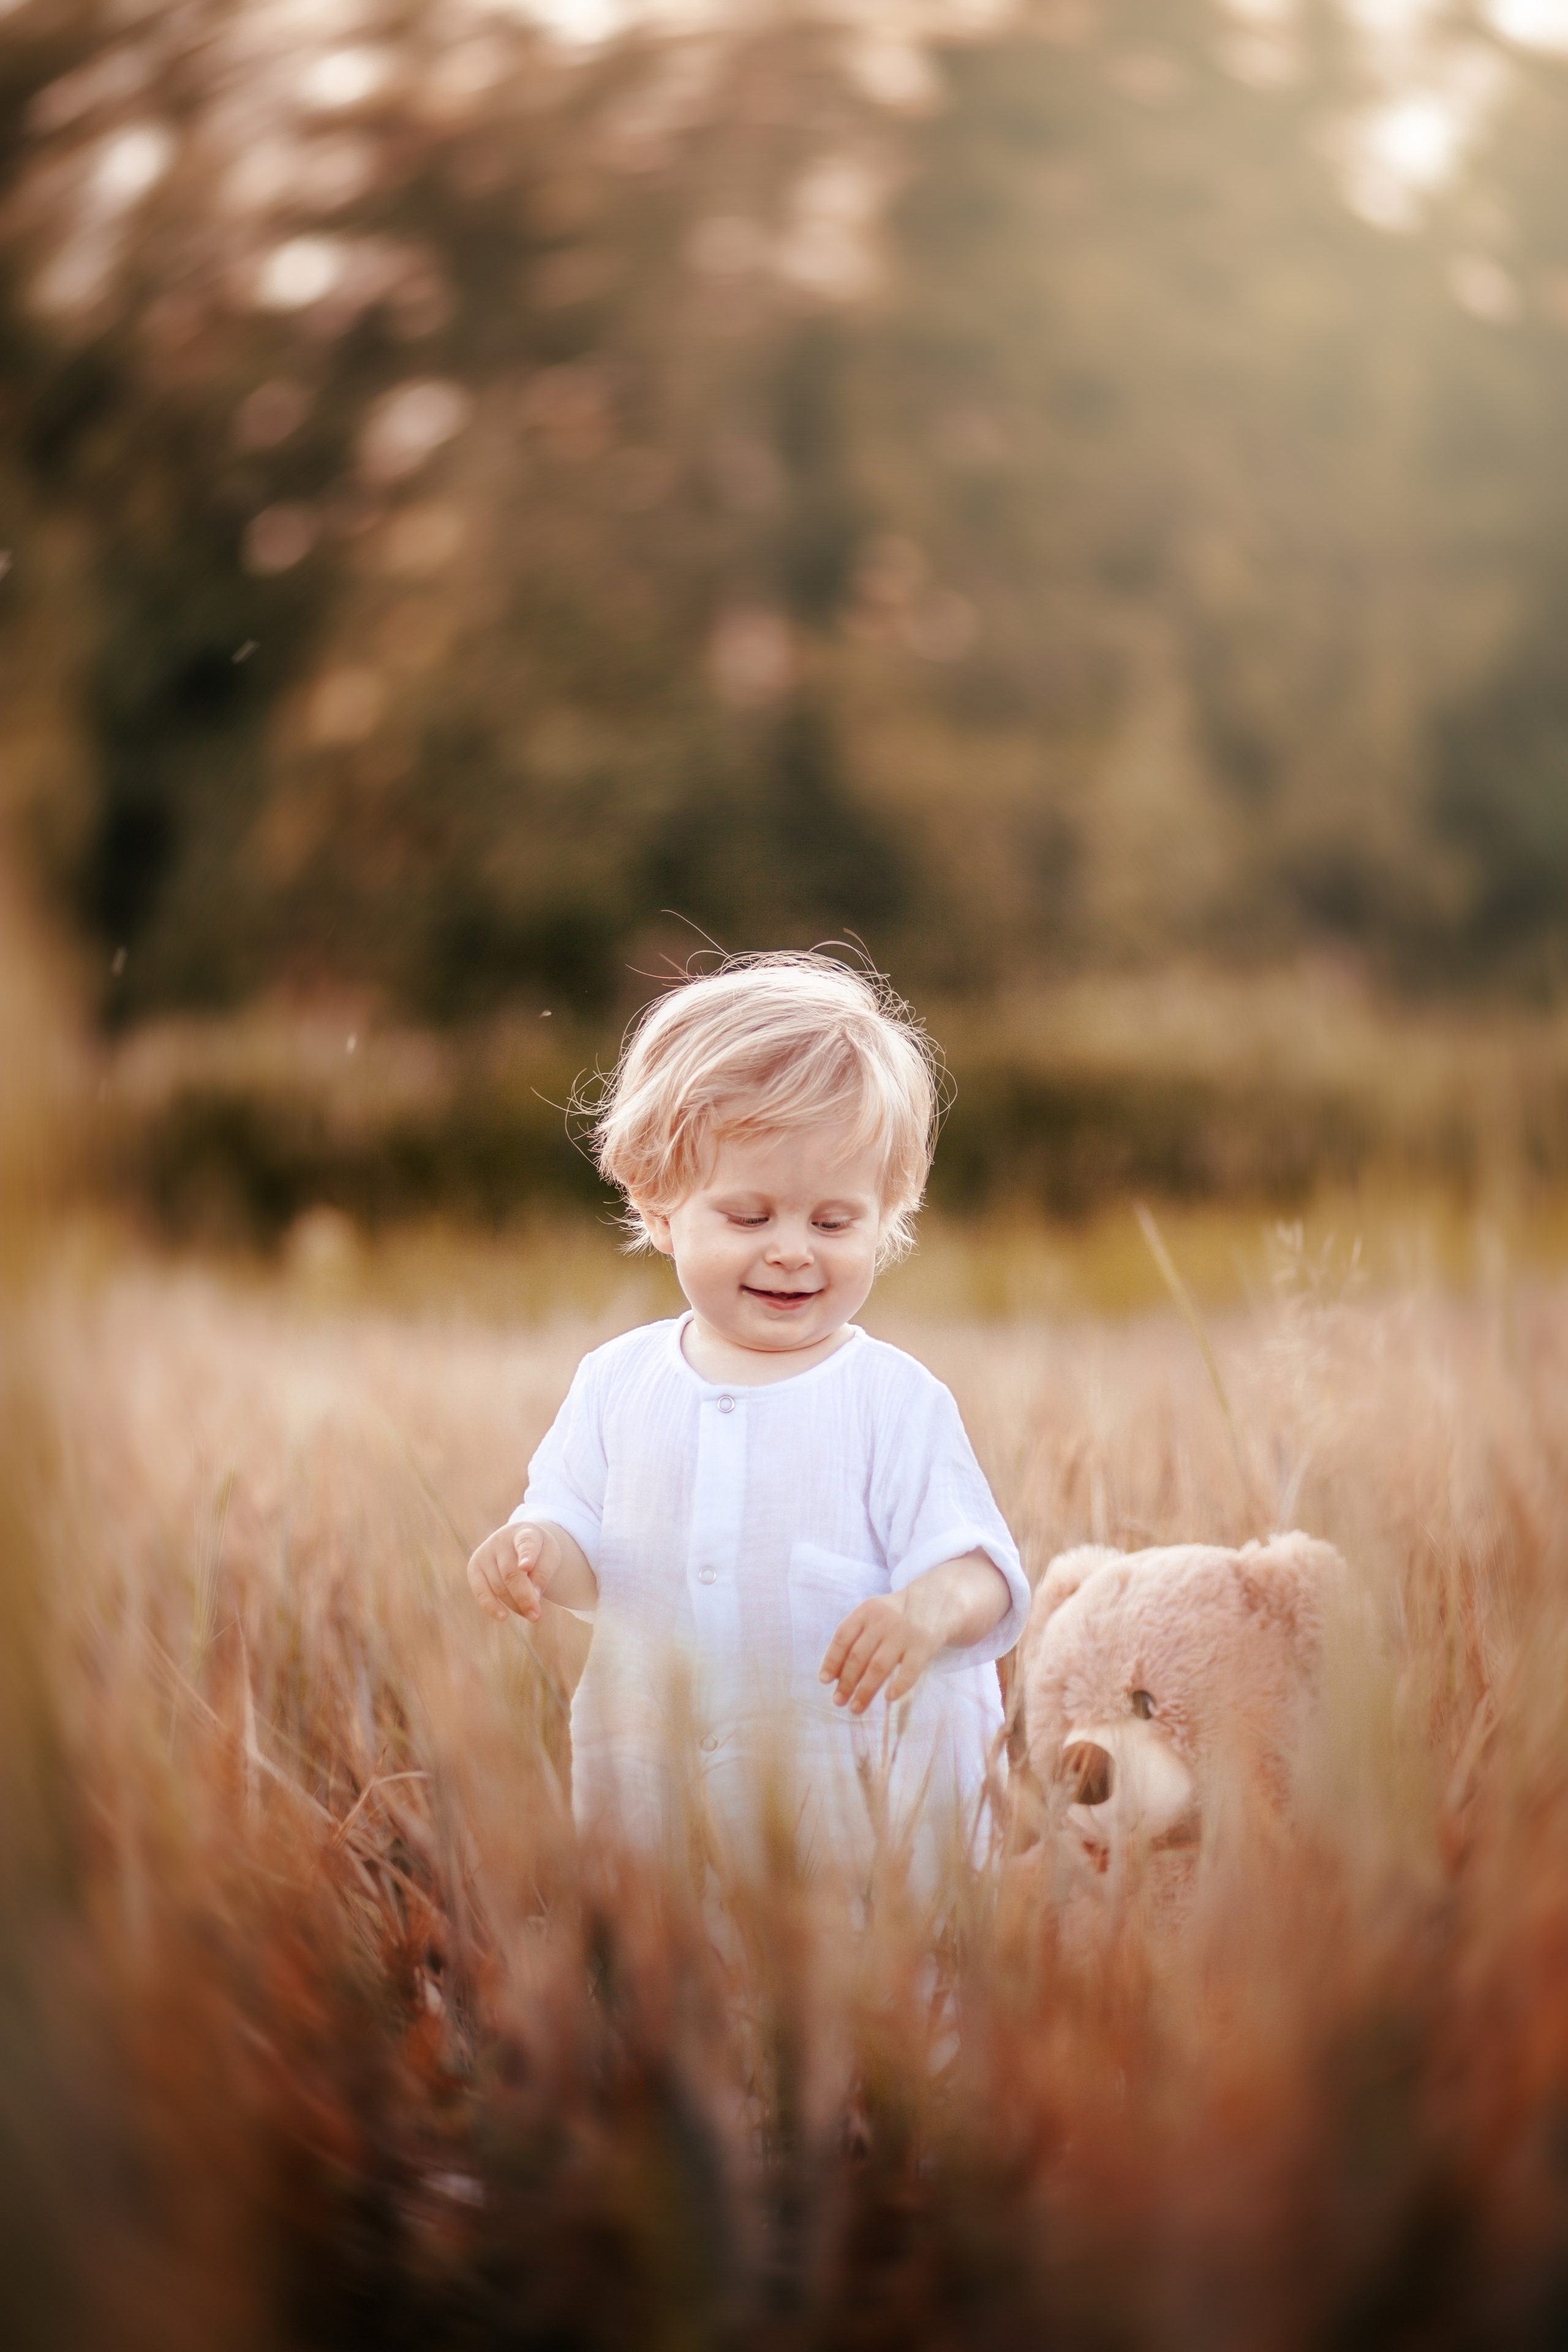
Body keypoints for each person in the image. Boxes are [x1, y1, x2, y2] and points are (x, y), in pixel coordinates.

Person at [466, 953, 1028, 1885]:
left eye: (834, 1223)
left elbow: (982, 1573)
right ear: (658, 1208)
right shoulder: (617, 1384)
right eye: (750, 1216)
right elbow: (588, 1557)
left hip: (863, 1841)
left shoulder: (890, 1399)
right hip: (664, 1814)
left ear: (886, 1217)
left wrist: (926, 1611)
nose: (793, 1251)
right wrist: (532, 1554)